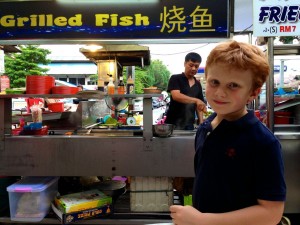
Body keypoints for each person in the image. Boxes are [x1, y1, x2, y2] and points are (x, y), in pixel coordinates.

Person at [170, 40, 286, 225]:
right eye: (214, 82)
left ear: (253, 92)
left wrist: (203, 220)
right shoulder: (205, 127)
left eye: (233, 85)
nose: (220, 93)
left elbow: (271, 213)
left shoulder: (263, 142)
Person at [165, 52, 206, 130]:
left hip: (189, 124)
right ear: (185, 63)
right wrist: (196, 100)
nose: (193, 68)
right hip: (173, 123)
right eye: (191, 65)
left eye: (196, 66)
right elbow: (176, 96)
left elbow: (199, 106)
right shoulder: (175, 78)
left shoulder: (198, 84)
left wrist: (201, 123)